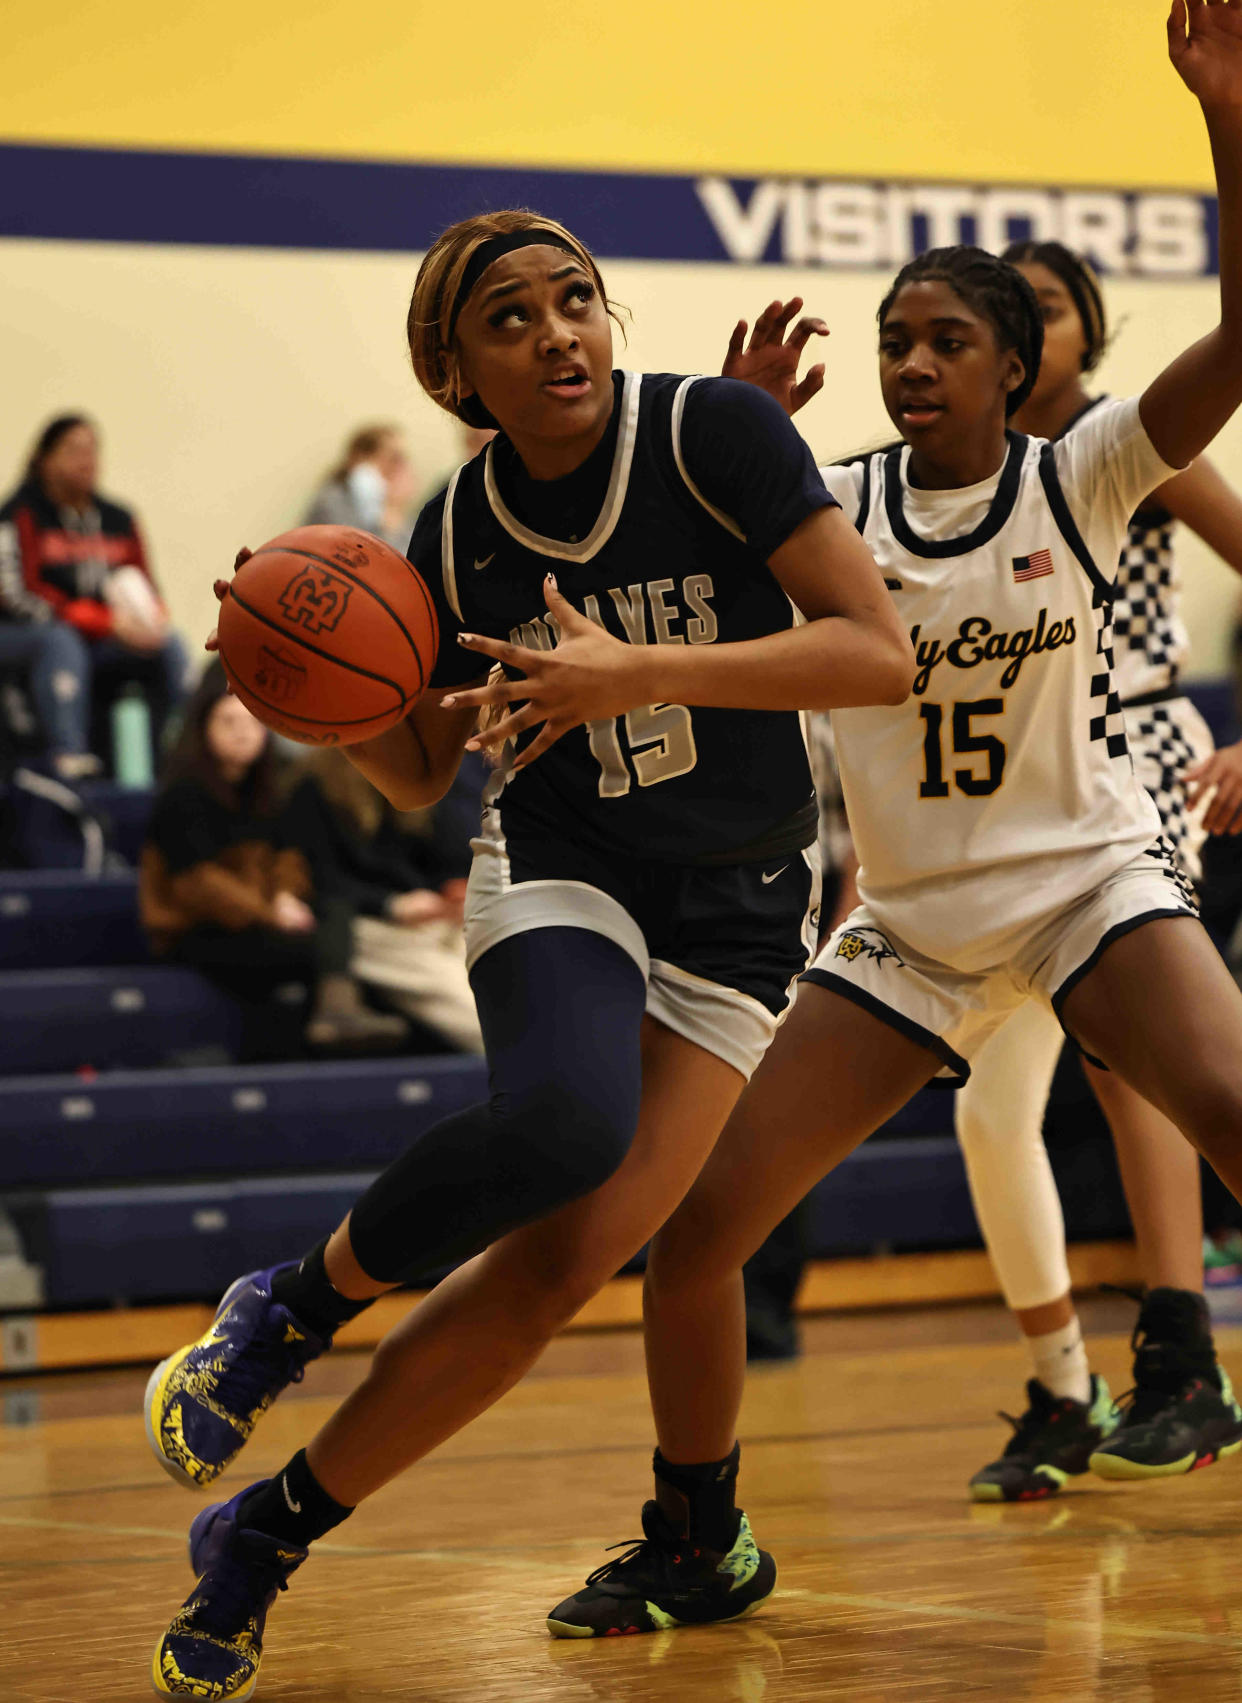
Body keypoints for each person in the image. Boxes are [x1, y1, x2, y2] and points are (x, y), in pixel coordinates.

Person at [540, 0, 1242, 1637]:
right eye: (893, 342)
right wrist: (722, 432)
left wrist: (1220, 116)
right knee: (696, 1234)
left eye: (944, 342)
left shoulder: (1085, 473)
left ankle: (1164, 1360)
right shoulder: (825, 501)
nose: (911, 363)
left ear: (1016, 366)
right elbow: (676, 592)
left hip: (1084, 884)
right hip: (905, 931)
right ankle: (696, 1533)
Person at [145, 209, 911, 1698]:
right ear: (456, 370)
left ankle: (264, 1534)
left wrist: (639, 664)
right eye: (511, 318)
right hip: (568, 862)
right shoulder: (444, 534)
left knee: (567, 1261)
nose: (557, 331)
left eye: (576, 299)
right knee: (563, 1122)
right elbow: (424, 765)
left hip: (744, 904)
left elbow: (874, 653)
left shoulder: (715, 435)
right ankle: (288, 1304)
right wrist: (305, 672)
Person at [952, 236, 1242, 1500]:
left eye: (1053, 304)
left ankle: (1183, 1361)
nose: (1028, 321)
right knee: (988, 1107)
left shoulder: (1135, 443)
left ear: (1084, 333)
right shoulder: (953, 472)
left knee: (1132, 1067)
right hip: (1007, 795)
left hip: (1139, 759)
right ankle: (1067, 1387)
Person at [140, 666, 406, 1061]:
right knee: (308, 950)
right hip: (197, 929)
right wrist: (269, 912)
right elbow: (197, 887)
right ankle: (330, 1019)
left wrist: (284, 897)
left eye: (252, 722)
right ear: (203, 728)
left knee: (333, 906)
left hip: (257, 918)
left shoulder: (272, 788)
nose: (242, 732)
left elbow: (289, 858)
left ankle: (339, 1012)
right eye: (227, 721)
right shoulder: (183, 795)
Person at [0, 414, 188, 779]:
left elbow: (147, 584)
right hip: (26, 635)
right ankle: (68, 756)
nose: (86, 460)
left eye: (92, 449)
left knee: (170, 644)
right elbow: (14, 595)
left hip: (104, 638)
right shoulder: (18, 514)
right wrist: (103, 622)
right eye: (73, 450)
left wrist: (152, 620)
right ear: (43, 459)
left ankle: (183, 754)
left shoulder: (119, 517)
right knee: (60, 641)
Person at [283, 748, 484, 1053]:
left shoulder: (411, 776)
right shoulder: (314, 784)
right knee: (461, 996)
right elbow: (320, 881)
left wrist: (449, 890)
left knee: (497, 961)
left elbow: (429, 859)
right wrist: (390, 904)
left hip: (426, 917)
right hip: (356, 924)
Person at [303, 423, 418, 552]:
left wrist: (394, 509)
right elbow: (357, 557)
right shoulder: (331, 501)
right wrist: (387, 521)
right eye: (394, 459)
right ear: (361, 458)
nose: (399, 468)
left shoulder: (398, 514)